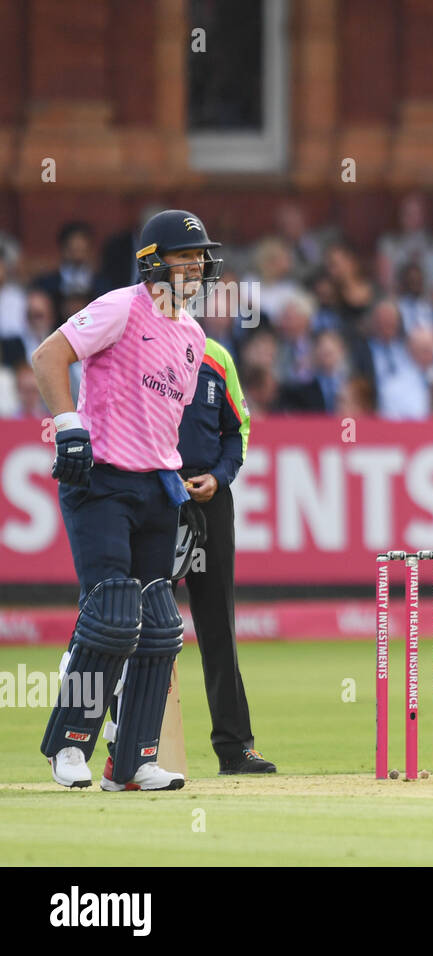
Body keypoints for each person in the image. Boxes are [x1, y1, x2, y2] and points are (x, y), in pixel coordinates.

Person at [32, 209, 215, 791]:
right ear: (154, 260)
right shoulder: (121, 305)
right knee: (111, 612)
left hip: (153, 491)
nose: (196, 265)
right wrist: (68, 426)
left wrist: (176, 486)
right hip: (99, 479)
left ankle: (132, 760)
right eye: (185, 255)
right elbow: (48, 356)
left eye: (200, 257)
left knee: (159, 626)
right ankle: (69, 745)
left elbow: (164, 424)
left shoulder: (194, 336)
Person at [175, 332, 275, 775]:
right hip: (152, 494)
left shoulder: (215, 356)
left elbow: (239, 430)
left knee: (217, 623)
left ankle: (235, 749)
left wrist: (219, 476)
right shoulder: (136, 346)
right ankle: (127, 744)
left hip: (209, 499)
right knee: (132, 621)